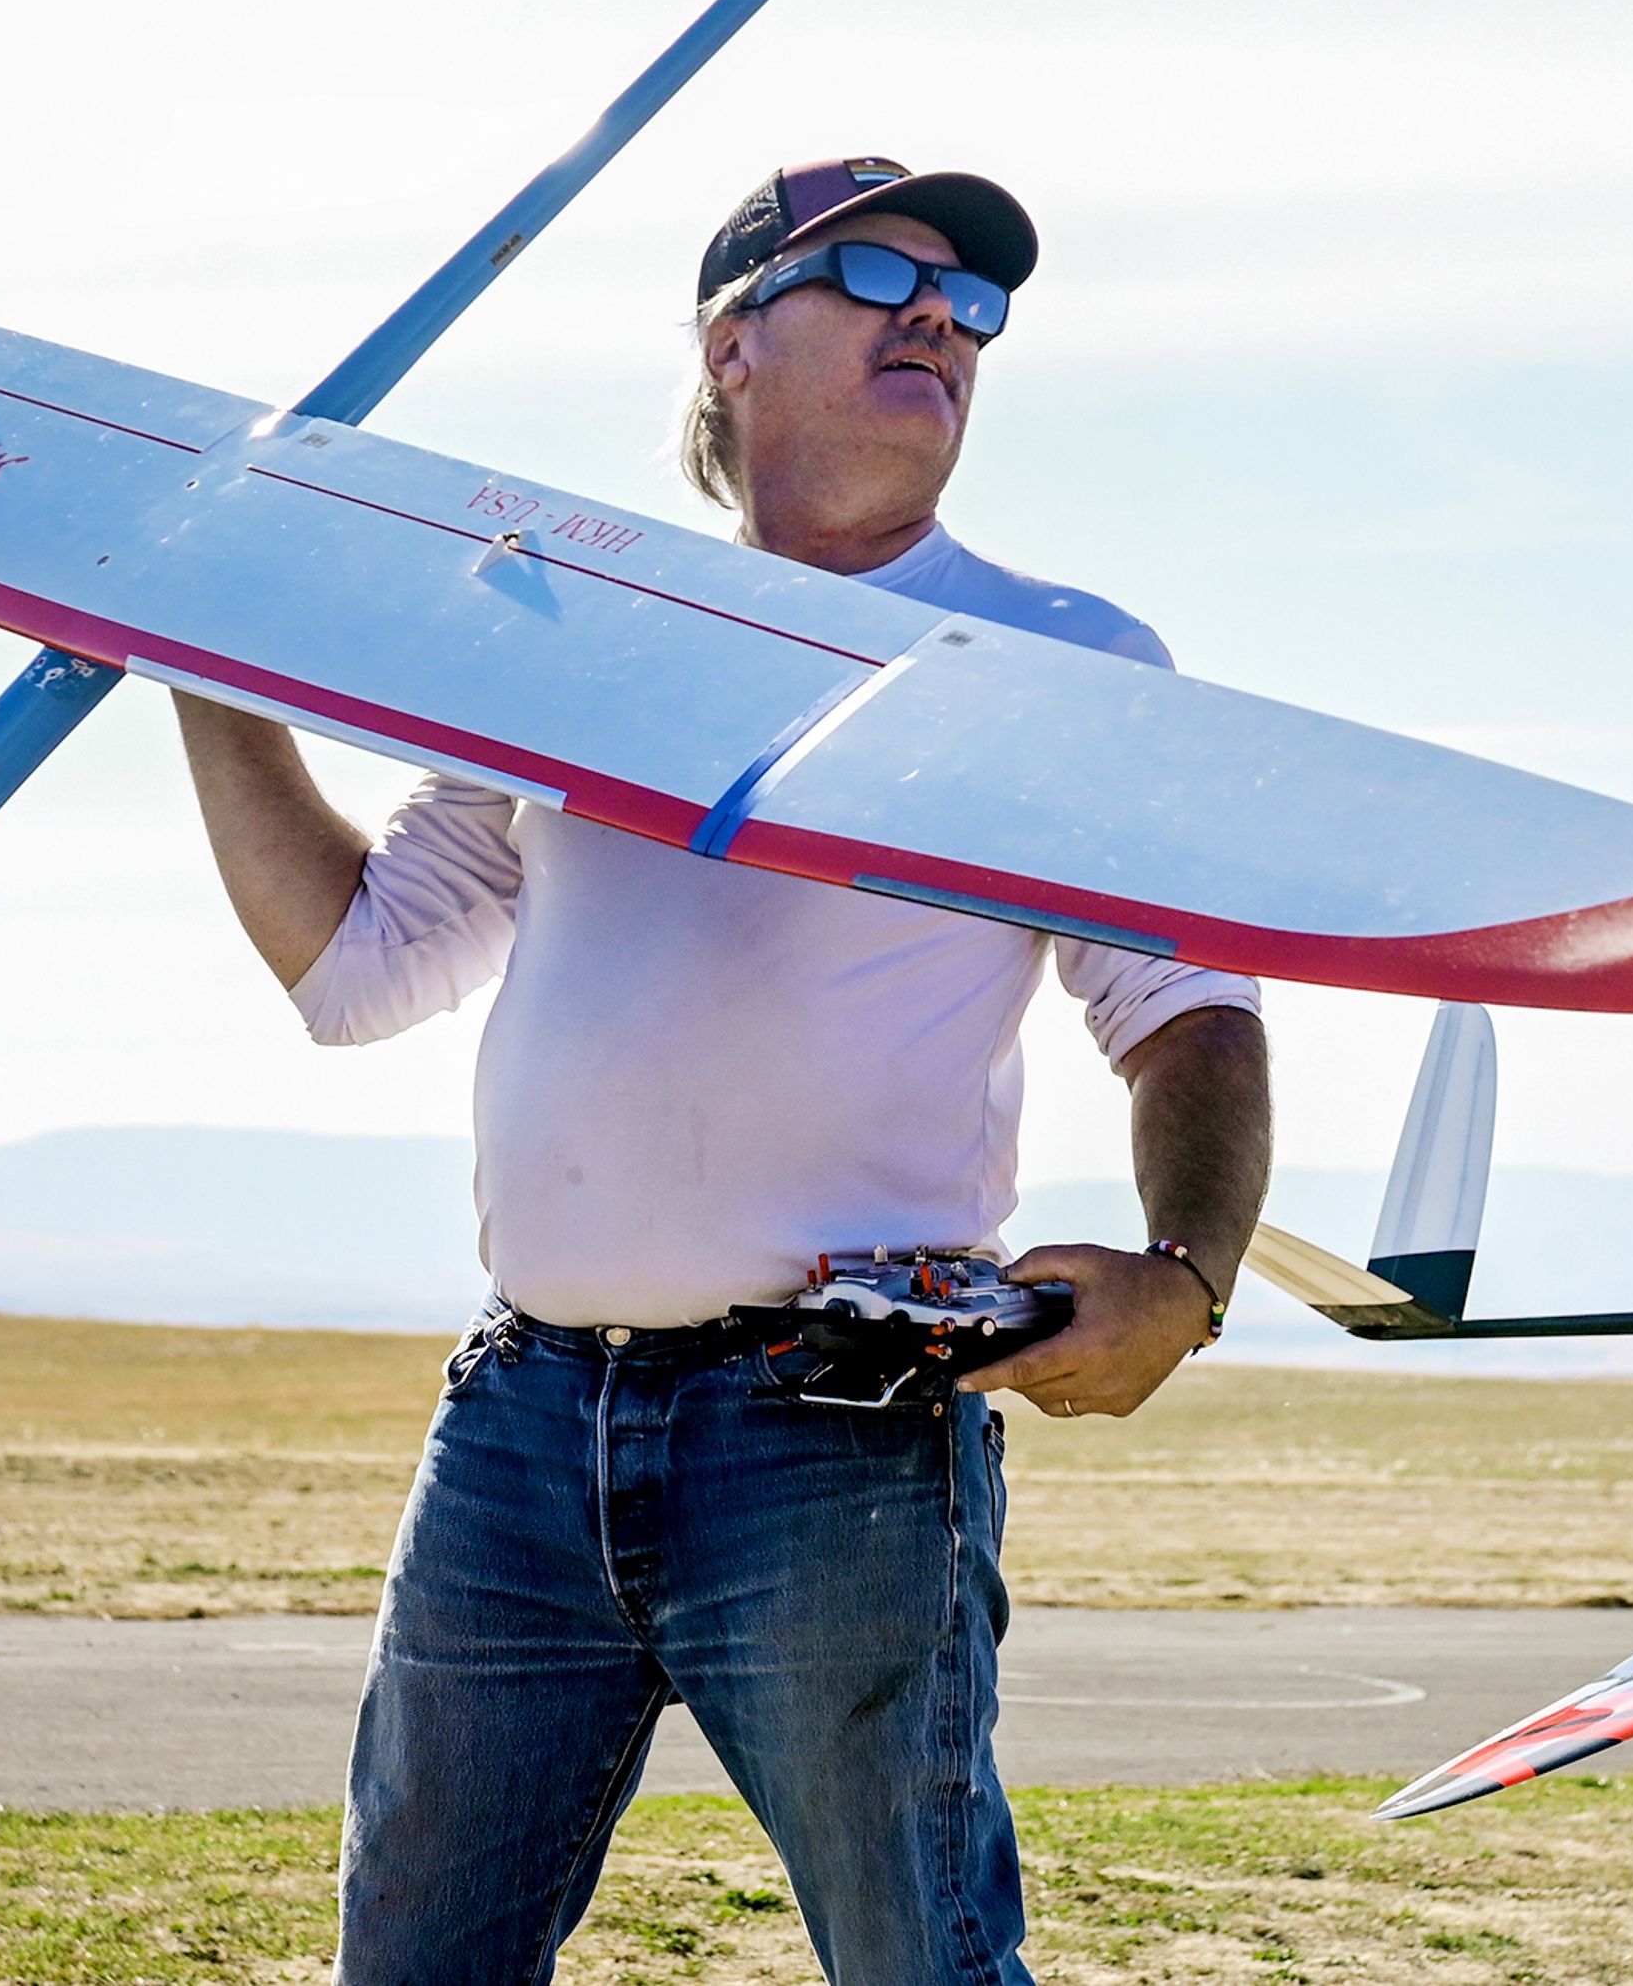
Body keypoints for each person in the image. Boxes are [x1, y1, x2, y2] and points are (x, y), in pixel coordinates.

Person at [173, 156, 1271, 1986]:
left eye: (972, 300)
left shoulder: (1068, 660)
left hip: (834, 1432)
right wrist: (203, 667)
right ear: (731, 342)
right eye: (875, 273)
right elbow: (361, 966)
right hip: (520, 1426)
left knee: (919, 1959)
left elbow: (1189, 1009)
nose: (941, 315)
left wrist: (1190, 1275)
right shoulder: (570, 632)